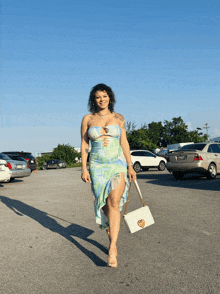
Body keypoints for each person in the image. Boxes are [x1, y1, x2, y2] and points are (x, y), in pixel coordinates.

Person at [81, 83, 136, 268]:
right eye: (98, 97)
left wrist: (130, 166)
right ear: (93, 99)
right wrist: (84, 168)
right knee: (104, 205)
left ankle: (112, 248)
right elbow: (84, 145)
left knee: (114, 203)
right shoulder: (88, 119)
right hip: (97, 166)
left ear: (110, 97)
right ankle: (111, 235)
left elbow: (124, 143)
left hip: (117, 164)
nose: (101, 99)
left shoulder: (119, 118)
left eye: (104, 96)